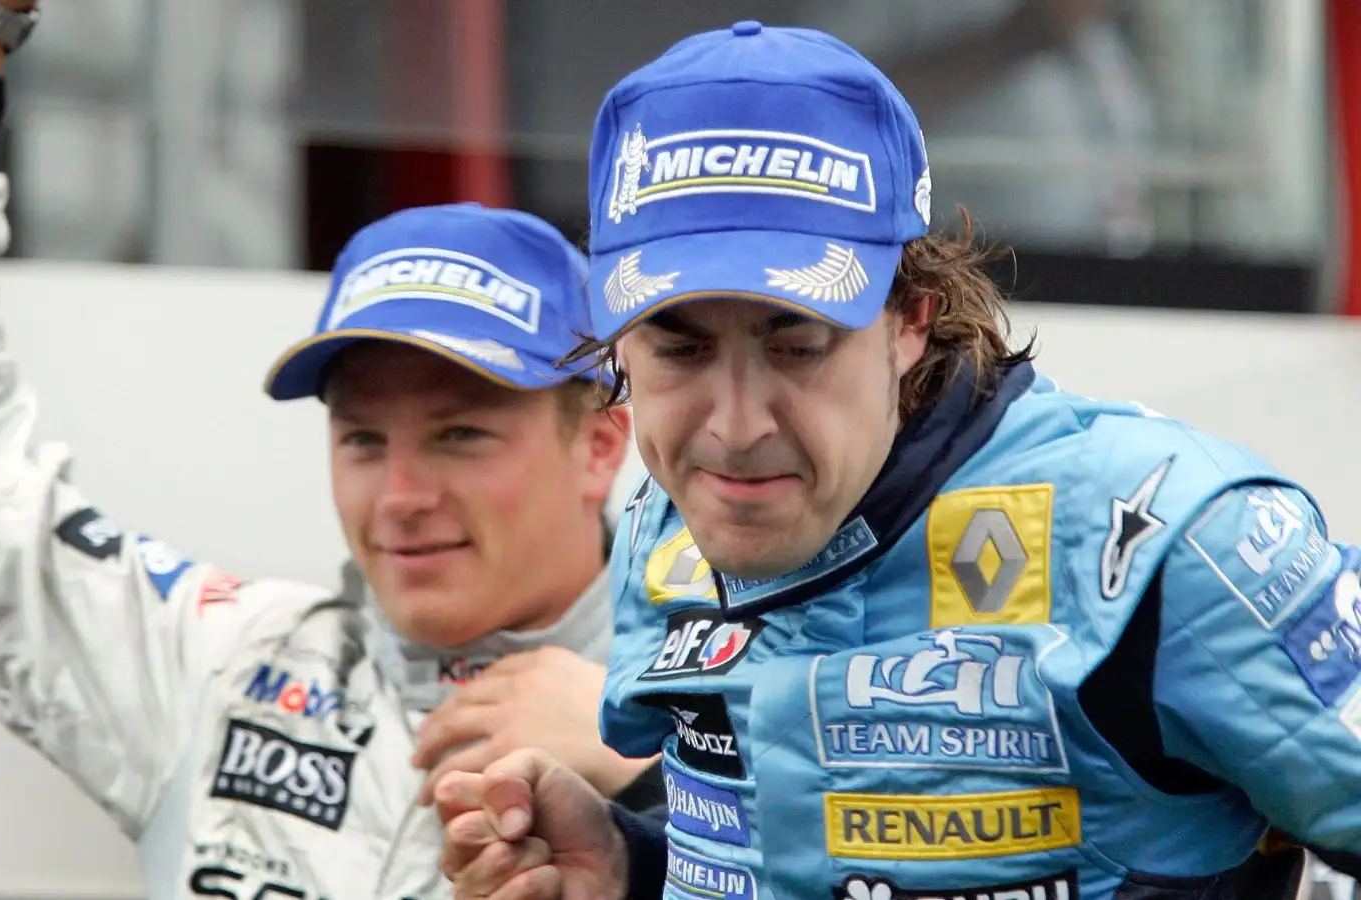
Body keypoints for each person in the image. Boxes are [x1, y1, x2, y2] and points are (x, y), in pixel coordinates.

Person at [436, 20, 1361, 900]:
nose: (735, 424)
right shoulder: (670, 522)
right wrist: (631, 867)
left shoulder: (1166, 540)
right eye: (679, 349)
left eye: (795, 344)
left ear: (909, 318)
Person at [0, 2, 662, 899]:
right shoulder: (228, 667)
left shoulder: (730, 700)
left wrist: (643, 773)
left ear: (600, 445)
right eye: (363, 439)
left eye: (460, 435)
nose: (402, 495)